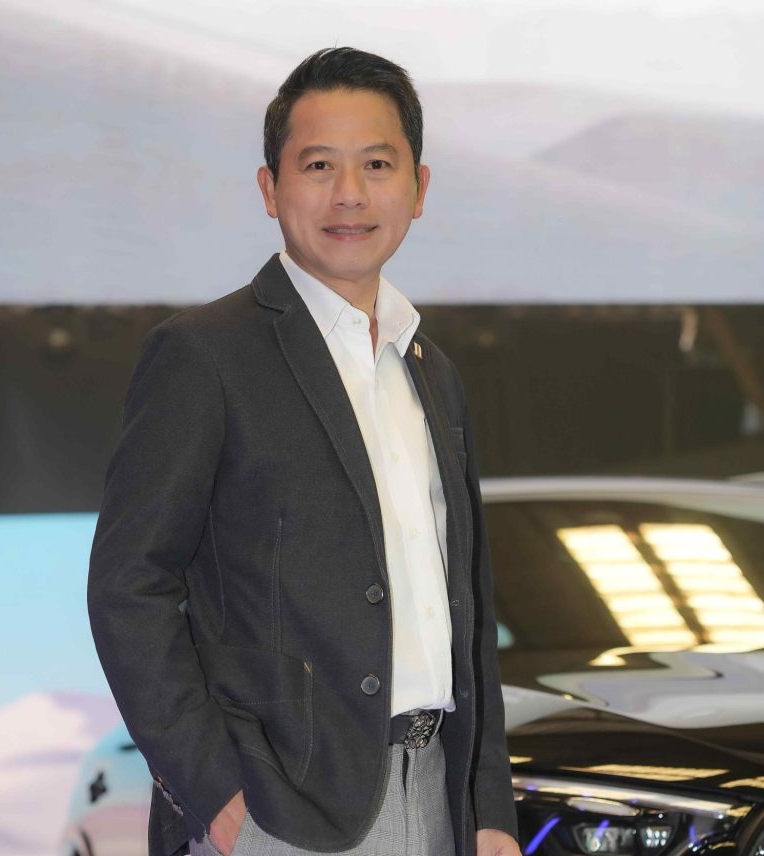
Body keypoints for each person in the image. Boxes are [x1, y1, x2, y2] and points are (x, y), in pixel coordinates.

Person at [88, 47, 521, 856]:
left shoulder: (433, 371)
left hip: (438, 798)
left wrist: (487, 804)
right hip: (277, 810)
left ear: (419, 188)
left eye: (377, 164)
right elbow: (128, 588)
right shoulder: (205, 355)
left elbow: (469, 604)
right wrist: (218, 797)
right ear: (270, 188)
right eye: (318, 165)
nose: (349, 193)